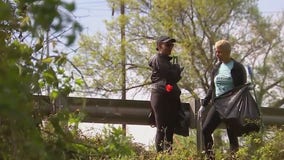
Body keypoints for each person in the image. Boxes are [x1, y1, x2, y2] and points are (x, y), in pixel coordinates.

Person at [198, 40, 247, 159]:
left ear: (227, 52)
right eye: (216, 51)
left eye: (219, 52)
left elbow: (242, 89)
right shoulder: (216, 68)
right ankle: (210, 157)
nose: (217, 54)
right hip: (218, 105)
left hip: (231, 106)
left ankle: (233, 157)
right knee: (205, 130)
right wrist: (204, 104)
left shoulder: (238, 68)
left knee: (232, 135)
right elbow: (212, 87)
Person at [149, 36, 183, 152]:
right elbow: (170, 75)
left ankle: (169, 155)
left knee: (170, 129)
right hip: (160, 95)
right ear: (159, 47)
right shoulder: (157, 58)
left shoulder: (168, 61)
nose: (170, 47)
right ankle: (159, 155)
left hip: (171, 96)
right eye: (167, 45)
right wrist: (176, 69)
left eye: (171, 45)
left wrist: (175, 70)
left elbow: (174, 78)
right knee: (161, 128)